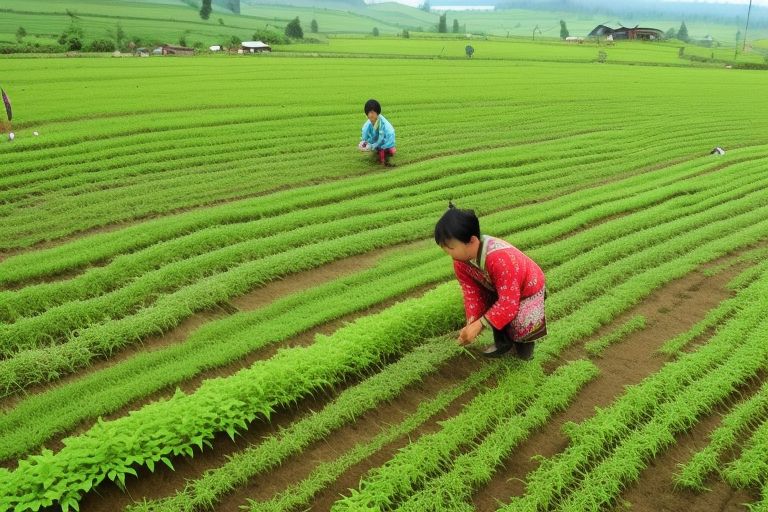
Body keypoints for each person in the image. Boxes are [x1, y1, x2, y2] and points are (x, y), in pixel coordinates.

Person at [434, 203, 547, 359]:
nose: (449, 253)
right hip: (499, 286)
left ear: (472, 241)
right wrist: (472, 322)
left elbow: (508, 304)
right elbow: (471, 291)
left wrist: (480, 324)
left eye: (451, 248)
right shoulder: (460, 261)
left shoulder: (499, 258)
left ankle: (525, 355)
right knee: (493, 309)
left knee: (521, 327)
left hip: (527, 288)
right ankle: (504, 344)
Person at [359, 99, 396, 167]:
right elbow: (365, 134)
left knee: (385, 153)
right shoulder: (367, 125)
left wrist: (375, 146)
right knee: (377, 152)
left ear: (377, 112)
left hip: (386, 141)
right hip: (376, 142)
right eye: (368, 113)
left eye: (372, 112)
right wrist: (364, 142)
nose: (370, 115)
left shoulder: (385, 125)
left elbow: (384, 137)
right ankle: (379, 151)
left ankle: (388, 154)